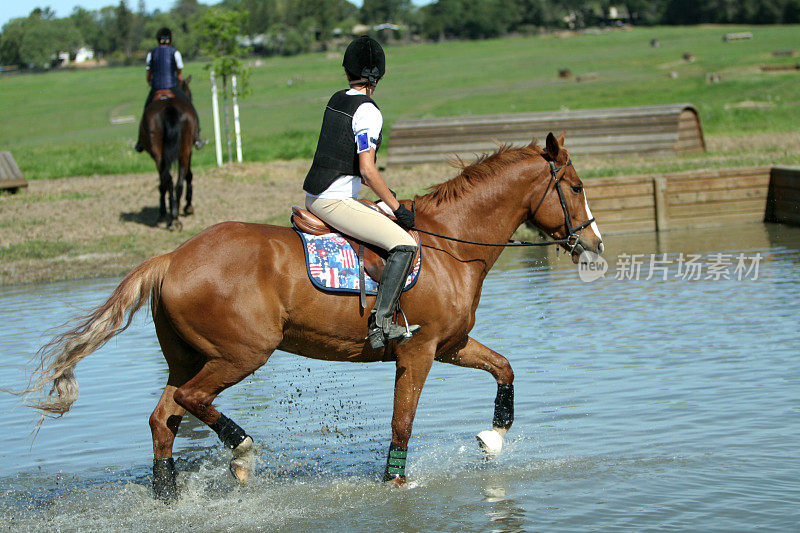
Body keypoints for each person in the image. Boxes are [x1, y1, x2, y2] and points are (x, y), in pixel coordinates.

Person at [303, 35, 420, 350]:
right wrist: (397, 207)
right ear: (378, 76)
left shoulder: (337, 98)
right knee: (404, 244)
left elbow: (353, 164)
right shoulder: (369, 112)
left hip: (316, 195)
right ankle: (382, 324)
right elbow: (367, 169)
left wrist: (383, 191)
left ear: (347, 72)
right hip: (334, 201)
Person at [135, 27, 205, 152]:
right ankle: (197, 136)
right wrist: (177, 84)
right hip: (172, 86)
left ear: (158, 40)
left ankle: (140, 141)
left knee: (146, 109)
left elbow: (148, 75)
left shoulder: (151, 54)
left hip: (156, 87)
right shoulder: (175, 53)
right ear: (170, 40)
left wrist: (152, 83)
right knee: (190, 107)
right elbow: (179, 74)